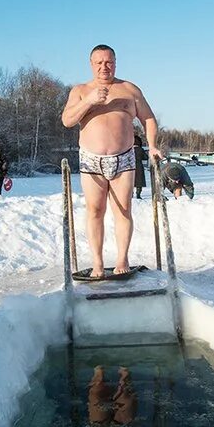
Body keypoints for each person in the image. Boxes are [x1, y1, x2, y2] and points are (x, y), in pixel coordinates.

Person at [61, 45, 160, 278]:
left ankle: (122, 258)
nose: (104, 67)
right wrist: (90, 101)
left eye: (109, 62)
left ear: (115, 62)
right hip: (91, 159)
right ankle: (97, 263)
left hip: (124, 157)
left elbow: (149, 119)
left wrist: (153, 145)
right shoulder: (81, 90)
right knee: (95, 210)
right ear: (91, 64)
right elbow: (67, 120)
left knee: (123, 209)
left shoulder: (129, 89)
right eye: (99, 62)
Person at [133, 133, 147, 199]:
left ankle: (130, 194)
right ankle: (138, 194)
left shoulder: (129, 149)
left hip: (130, 166)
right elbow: (146, 157)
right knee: (139, 181)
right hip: (139, 167)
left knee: (131, 181)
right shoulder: (141, 149)